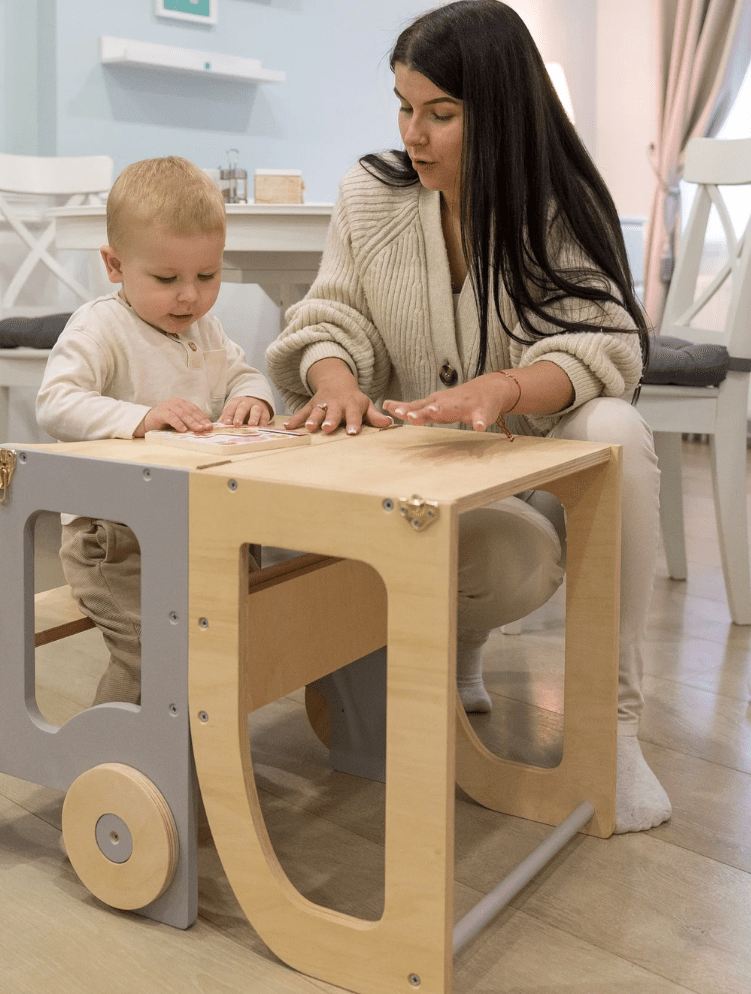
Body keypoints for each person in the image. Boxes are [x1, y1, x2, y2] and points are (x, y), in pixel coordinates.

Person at [265, 0, 670, 833]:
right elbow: (327, 317)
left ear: (501, 110)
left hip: (529, 469)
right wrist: (335, 379)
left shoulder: (559, 203)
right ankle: (451, 648)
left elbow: (606, 344)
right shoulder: (369, 196)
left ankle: (613, 728)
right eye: (404, 108)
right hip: (421, 485)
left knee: (616, 431)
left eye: (440, 114)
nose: (414, 134)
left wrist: (505, 390)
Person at [37, 155, 275, 707]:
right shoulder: (101, 326)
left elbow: (243, 370)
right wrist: (137, 418)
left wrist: (250, 395)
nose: (189, 296)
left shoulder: (205, 327)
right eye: (167, 279)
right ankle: (114, 756)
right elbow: (56, 401)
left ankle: (197, 743)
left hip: (202, 526)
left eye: (207, 276)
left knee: (248, 623)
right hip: (114, 539)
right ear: (115, 265)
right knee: (154, 650)